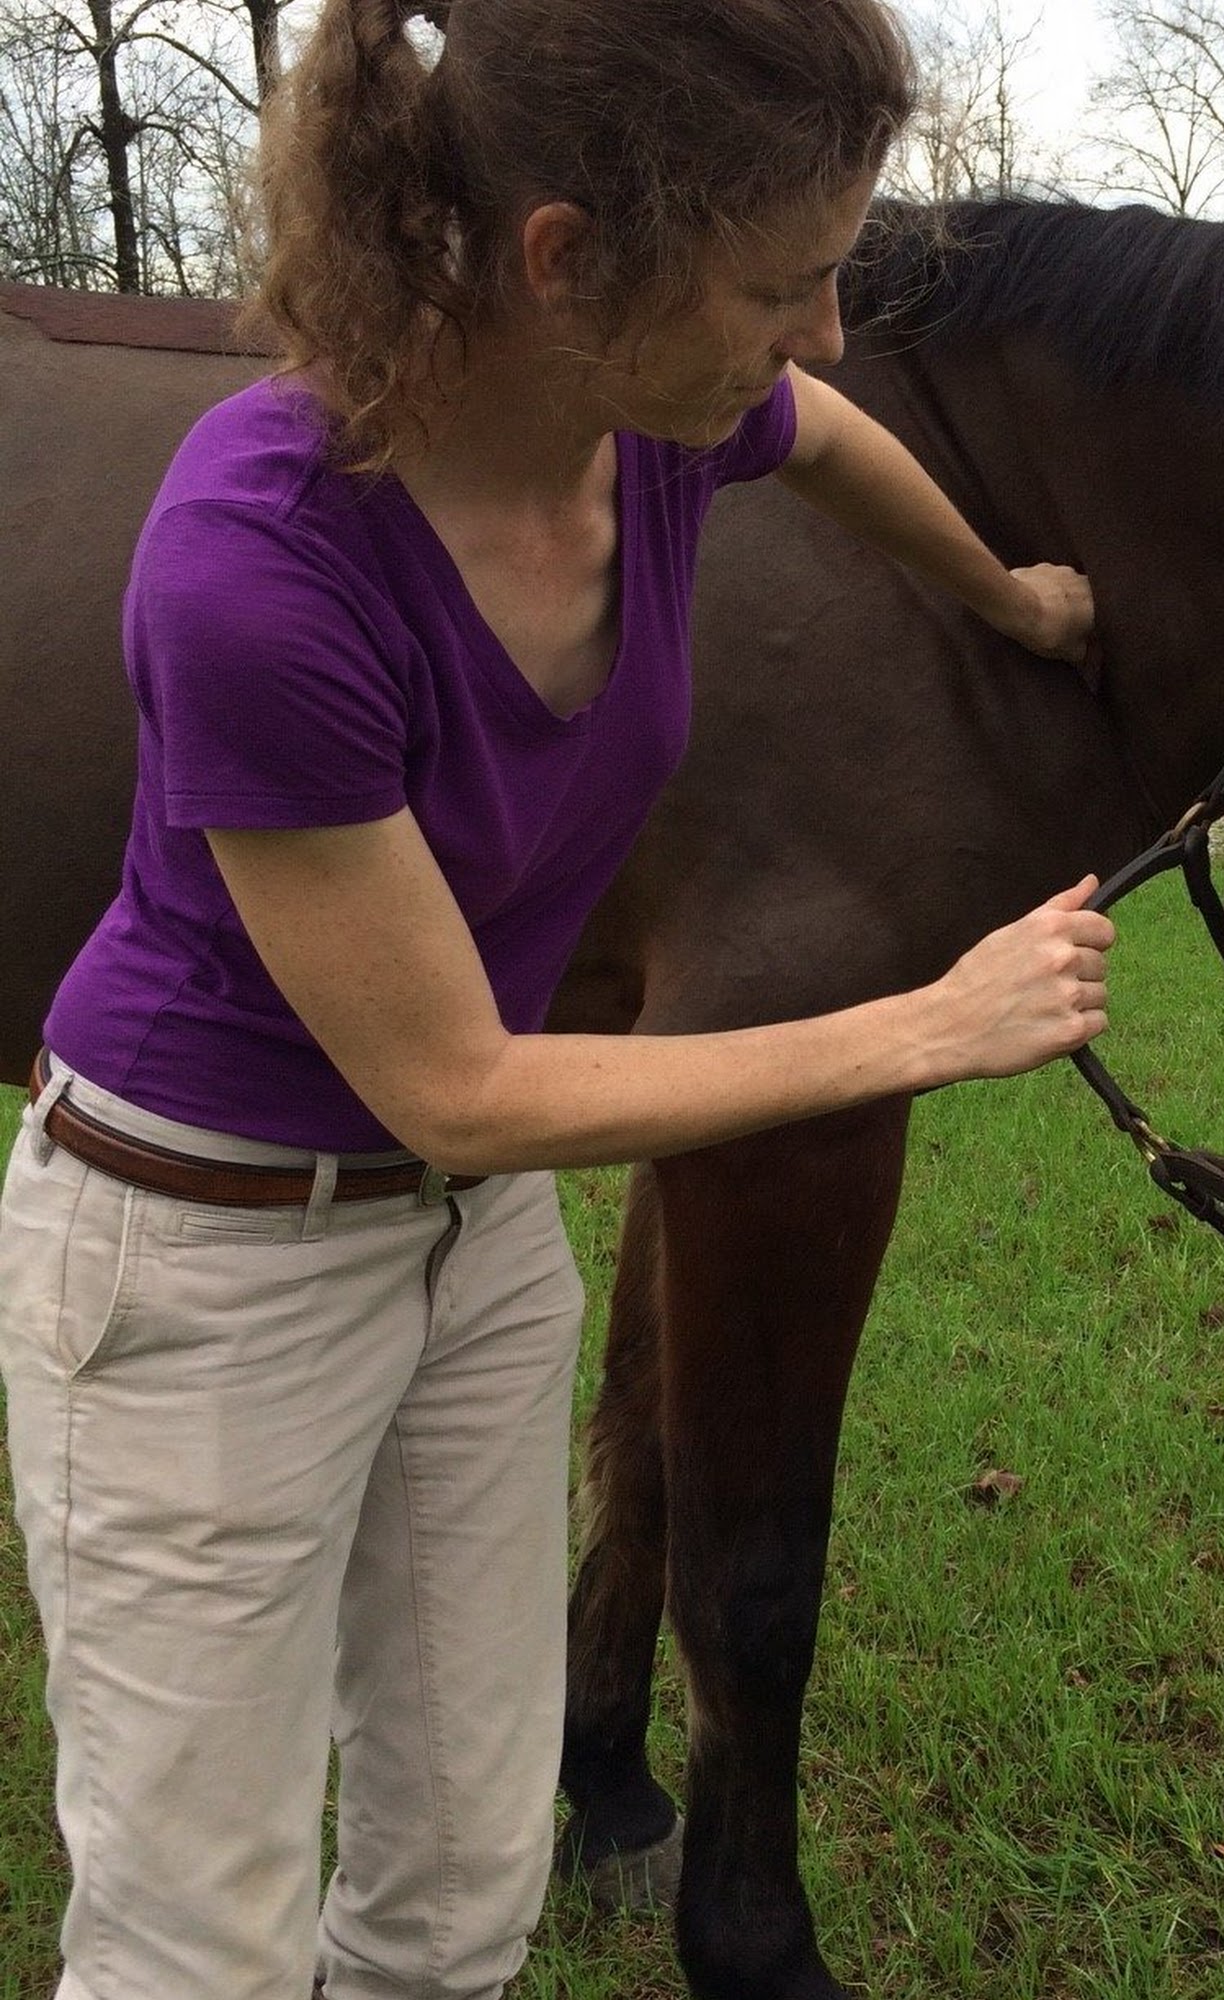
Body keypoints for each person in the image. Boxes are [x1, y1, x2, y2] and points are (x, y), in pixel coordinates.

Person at [0, 1, 1115, 1995]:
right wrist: (928, 1024)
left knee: (457, 1888)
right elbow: (461, 1086)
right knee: (198, 1941)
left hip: (470, 1261)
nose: (826, 333)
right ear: (562, 260)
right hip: (200, 1269)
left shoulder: (661, 426)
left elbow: (834, 437)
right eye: (779, 283)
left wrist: (1005, 592)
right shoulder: (262, 559)